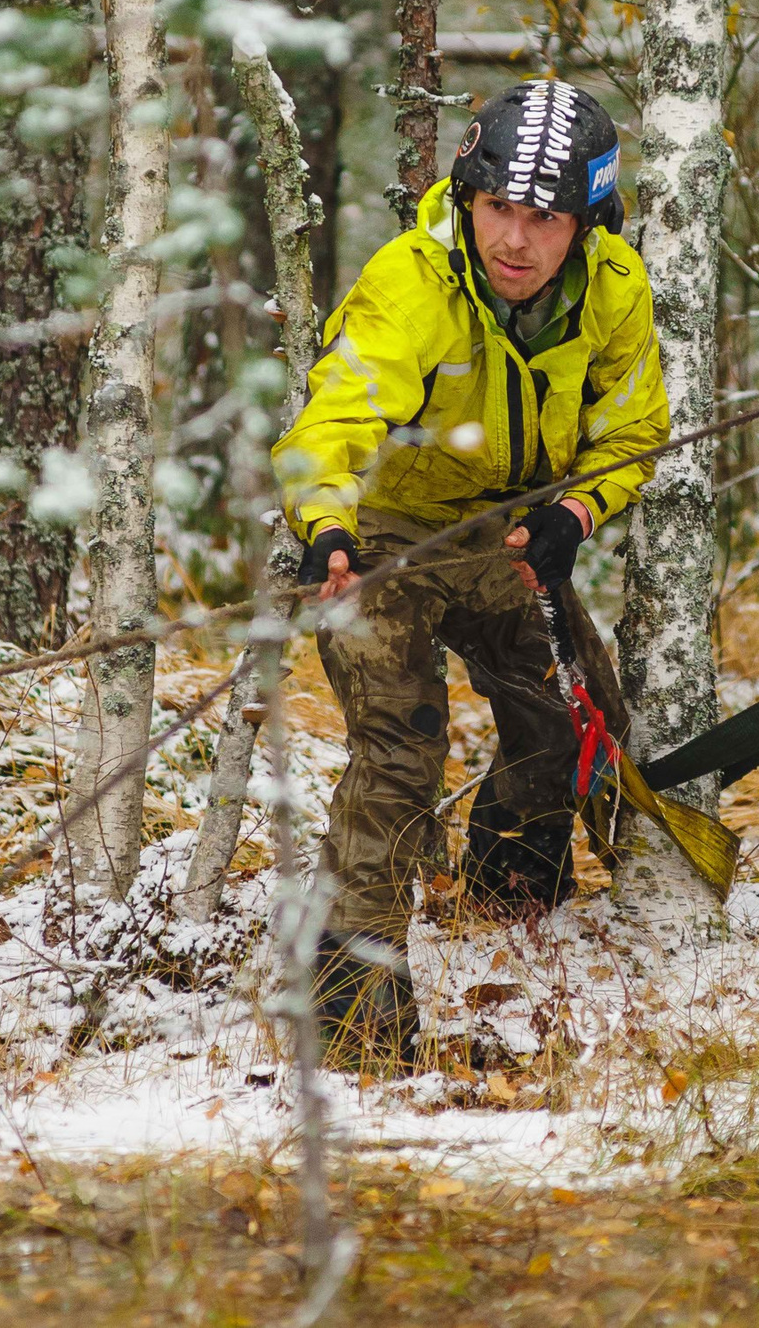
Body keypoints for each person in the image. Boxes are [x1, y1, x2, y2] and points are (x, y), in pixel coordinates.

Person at [272, 78, 668, 1068]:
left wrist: (576, 513)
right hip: (384, 538)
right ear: (465, 195)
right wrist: (325, 524)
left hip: (509, 537)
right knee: (399, 752)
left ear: (588, 220)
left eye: (545, 217)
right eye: (497, 208)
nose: (515, 240)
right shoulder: (412, 280)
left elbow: (633, 428)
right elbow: (335, 416)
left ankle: (508, 894)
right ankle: (352, 1007)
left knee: (572, 719)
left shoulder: (614, 288)